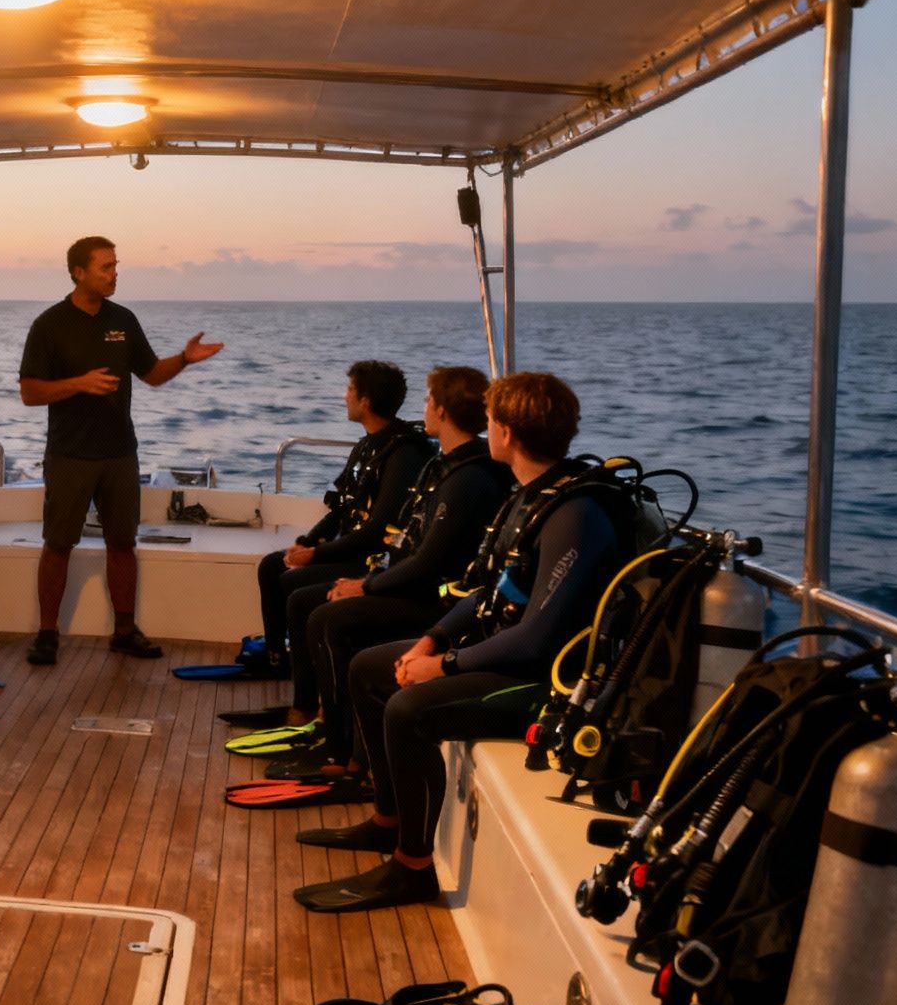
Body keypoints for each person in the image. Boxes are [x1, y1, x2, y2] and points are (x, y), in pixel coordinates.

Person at [294, 372, 624, 914]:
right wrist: (432, 638)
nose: (486, 428)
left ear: (508, 432)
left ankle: (412, 868)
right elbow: (490, 588)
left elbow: (538, 638)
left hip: (543, 684)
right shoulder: (530, 497)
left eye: (492, 421)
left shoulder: (575, 515)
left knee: (408, 709)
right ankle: (387, 820)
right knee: (368, 668)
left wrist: (446, 665)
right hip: (501, 653)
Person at [281, 366, 512, 769]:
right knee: (315, 607)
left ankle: (341, 750)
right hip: (414, 586)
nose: (423, 409)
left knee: (326, 618)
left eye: (428, 401)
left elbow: (429, 562)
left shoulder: (467, 479)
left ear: (440, 411)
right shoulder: (445, 466)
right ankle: (332, 728)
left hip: (435, 602)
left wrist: (366, 587)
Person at [18, 236, 224, 665]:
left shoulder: (123, 320)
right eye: (106, 267)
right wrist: (78, 384)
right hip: (70, 454)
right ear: (78, 272)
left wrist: (183, 359)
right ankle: (47, 634)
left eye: (116, 266)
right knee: (58, 545)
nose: (115, 274)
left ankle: (125, 631)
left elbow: (150, 374)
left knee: (122, 543)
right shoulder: (50, 325)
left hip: (119, 453)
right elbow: (30, 392)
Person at [249, 360, 431, 690]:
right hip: (347, 548)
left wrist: (317, 555)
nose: (343, 396)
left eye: (349, 390)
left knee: (297, 587)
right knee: (271, 566)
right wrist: (308, 542)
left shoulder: (404, 455)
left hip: (372, 562)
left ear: (365, 401)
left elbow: (377, 532)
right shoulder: (366, 446)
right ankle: (277, 658)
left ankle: (307, 693)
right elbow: (341, 508)